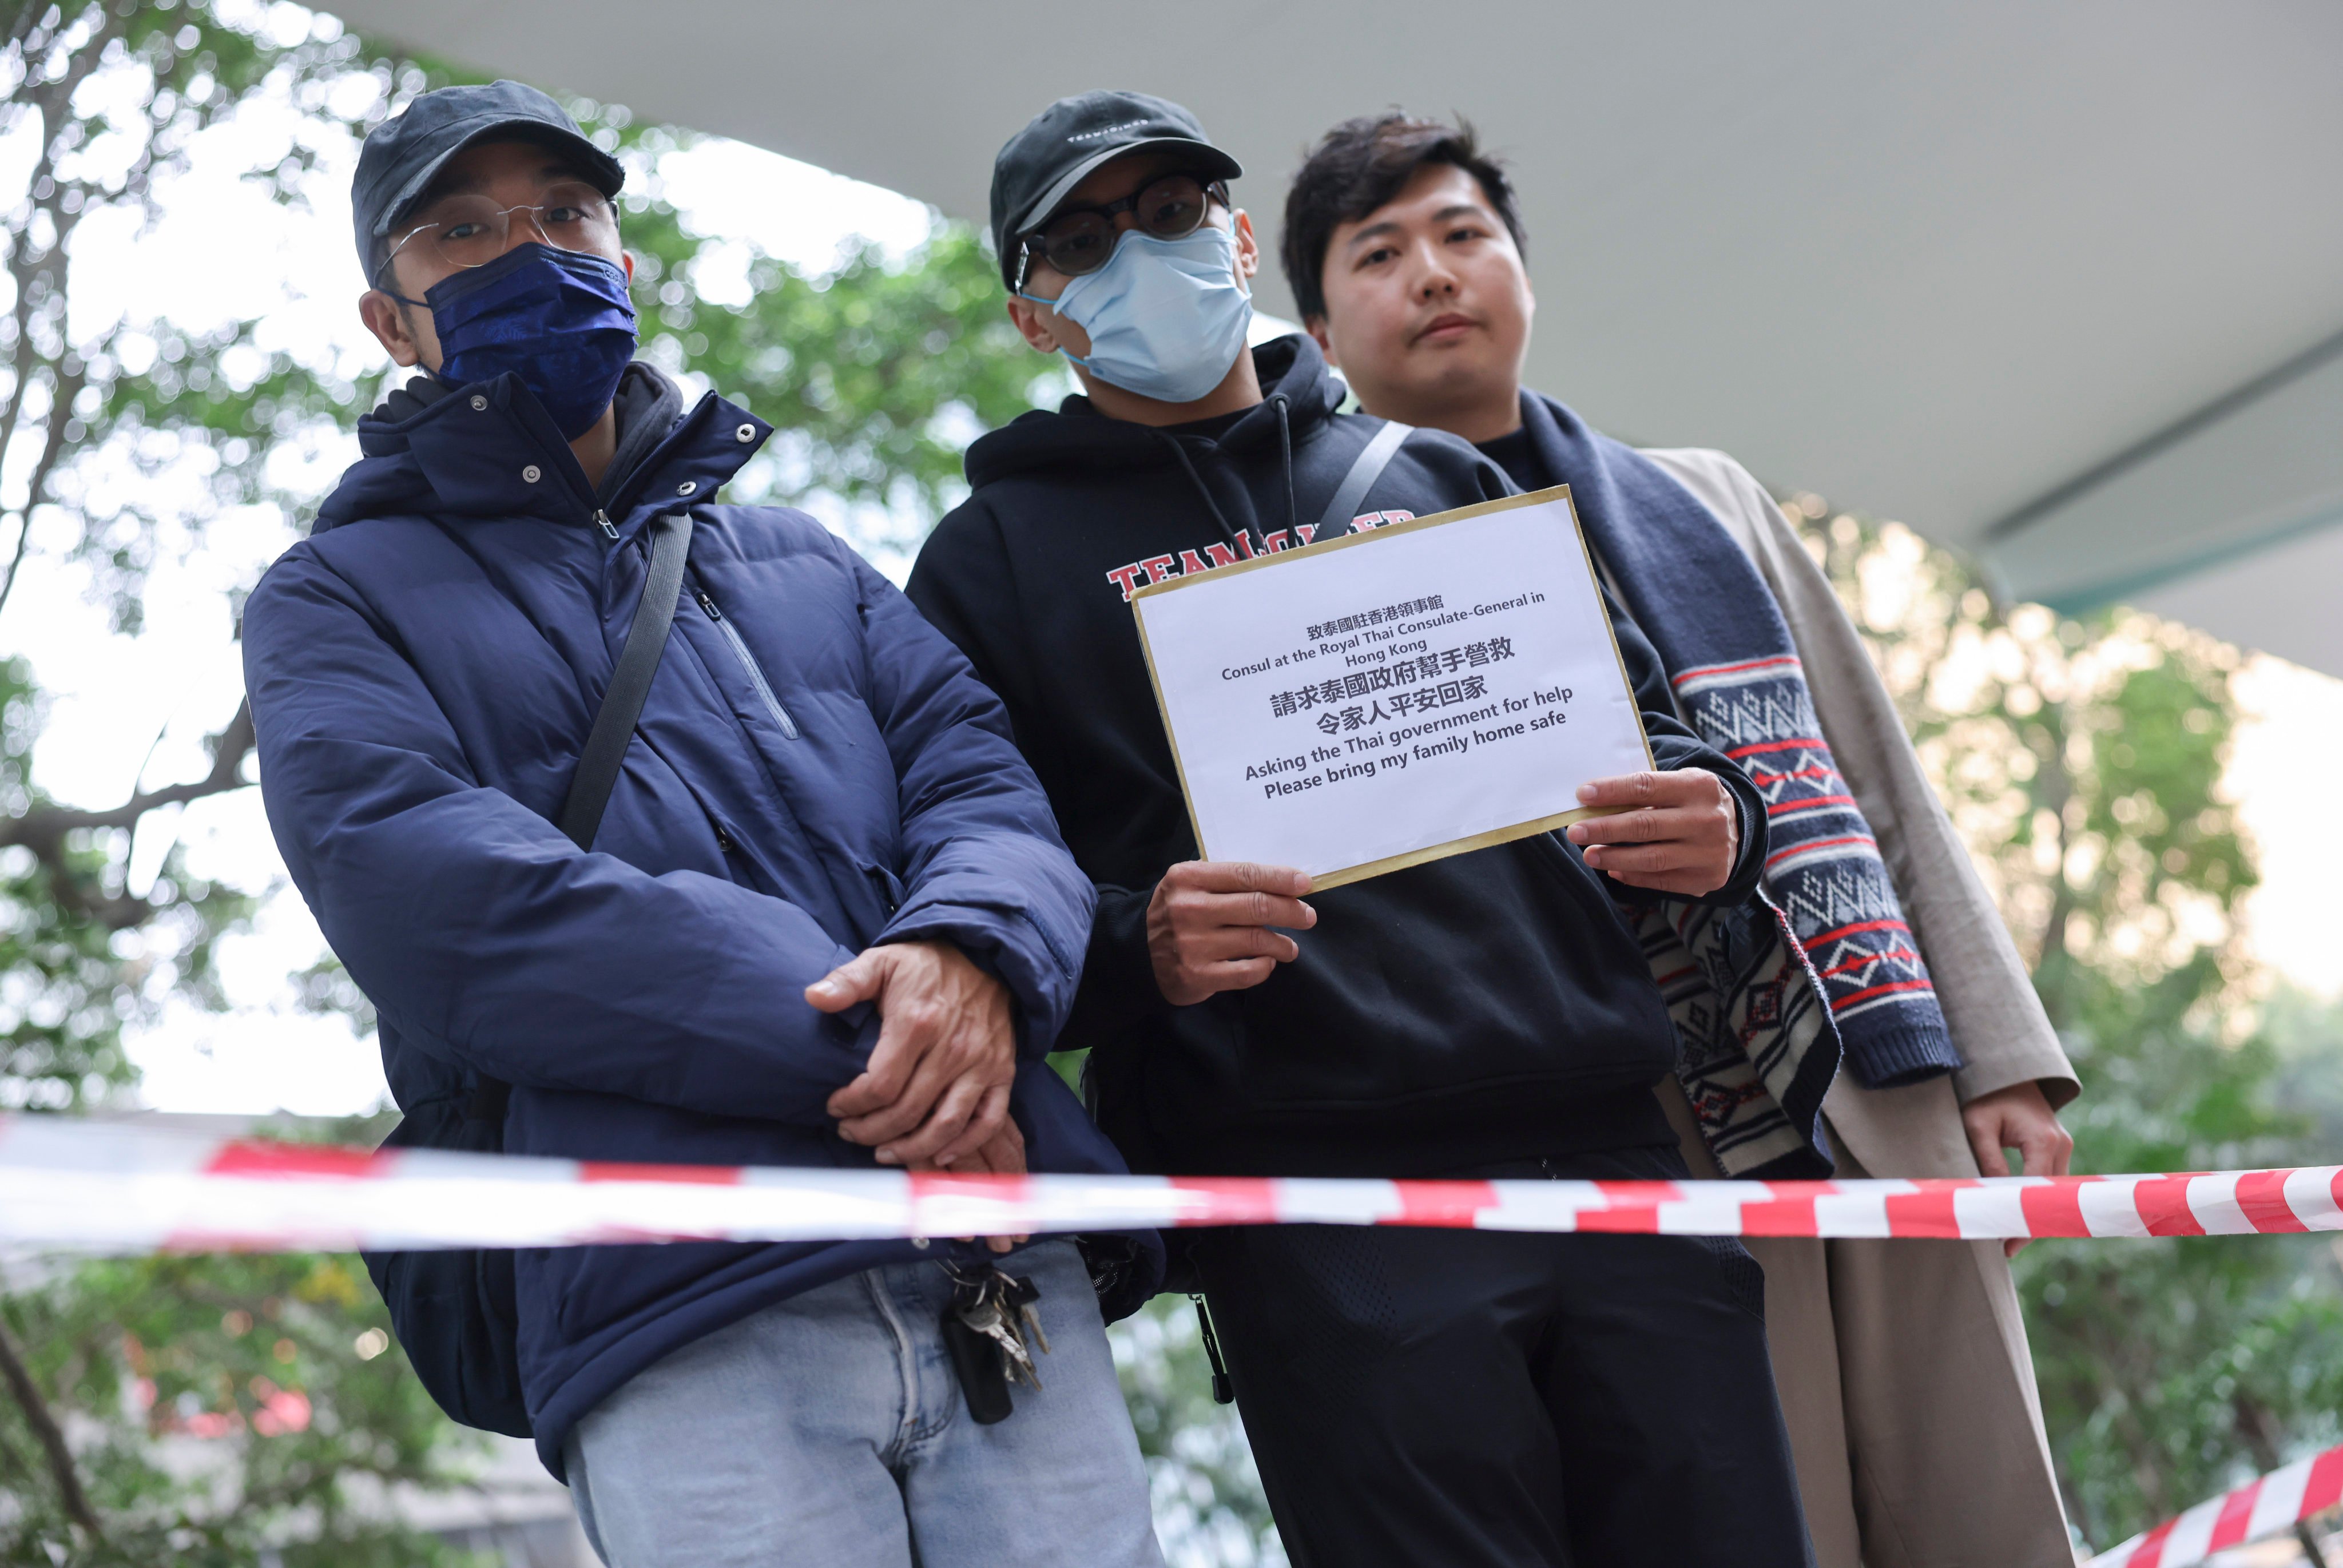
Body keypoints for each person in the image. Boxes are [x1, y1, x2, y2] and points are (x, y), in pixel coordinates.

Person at [243, 81, 1165, 1568]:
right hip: (677, 1302)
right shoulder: (331, 597)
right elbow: (436, 894)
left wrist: (974, 958)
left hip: (1001, 1270)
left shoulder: (806, 556)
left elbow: (984, 783)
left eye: (566, 211)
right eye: (463, 229)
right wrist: (899, 1048)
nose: (529, 247)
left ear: (623, 253)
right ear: (390, 320)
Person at [907, 89, 1817, 1568]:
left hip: (1617, 1153)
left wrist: (1721, 822)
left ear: (1240, 234)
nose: (1139, 251)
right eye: (1082, 241)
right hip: (1313, 1200)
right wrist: (1138, 942)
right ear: (1033, 316)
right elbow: (966, 871)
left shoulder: (1442, 475)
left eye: (1169, 213)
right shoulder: (986, 564)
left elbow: (1662, 746)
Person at [1282, 110, 2083, 1568]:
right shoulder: (1328, 573)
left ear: (1521, 270)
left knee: (1982, 1507)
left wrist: (2004, 1062)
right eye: (1380, 255)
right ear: (1321, 333)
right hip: (1640, 1118)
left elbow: (1876, 775)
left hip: (1869, 1069)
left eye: (1464, 236)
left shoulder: (1704, 497)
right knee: (1779, 1517)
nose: (1436, 276)